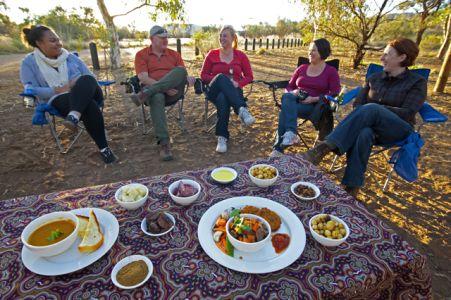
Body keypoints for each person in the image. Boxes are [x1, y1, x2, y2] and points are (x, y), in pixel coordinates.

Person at [304, 38, 427, 197]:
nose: (381, 58)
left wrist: (377, 110)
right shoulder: (374, 78)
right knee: (364, 133)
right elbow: (358, 105)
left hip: (397, 129)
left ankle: (323, 148)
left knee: (372, 109)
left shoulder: (417, 82)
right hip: (367, 127)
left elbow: (408, 112)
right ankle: (351, 186)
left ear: (402, 57)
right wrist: (371, 112)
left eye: (386, 54)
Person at [20, 25, 117, 164]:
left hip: (89, 92)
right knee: (88, 106)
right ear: (39, 43)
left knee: (87, 79)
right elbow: (30, 89)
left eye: (58, 39)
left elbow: (89, 78)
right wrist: (57, 90)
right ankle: (104, 150)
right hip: (58, 99)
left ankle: (73, 116)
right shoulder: (29, 63)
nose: (58, 43)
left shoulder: (70, 57)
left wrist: (74, 85)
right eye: (52, 40)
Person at [131, 25, 195, 161]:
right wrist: (163, 88)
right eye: (162, 38)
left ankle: (145, 93)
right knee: (157, 96)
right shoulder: (141, 55)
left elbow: (181, 75)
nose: (165, 40)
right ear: (152, 39)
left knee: (181, 71)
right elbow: (143, 77)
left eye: (166, 37)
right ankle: (164, 143)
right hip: (156, 95)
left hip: (173, 92)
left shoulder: (174, 54)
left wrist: (189, 79)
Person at [271, 38, 341, 157]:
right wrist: (294, 92)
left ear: (322, 52)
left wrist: (314, 99)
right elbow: (289, 87)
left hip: (314, 107)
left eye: (313, 50)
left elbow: (335, 92)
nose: (310, 53)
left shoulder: (331, 71)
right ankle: (290, 134)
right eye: (309, 50)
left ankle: (278, 149)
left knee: (285, 111)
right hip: (295, 102)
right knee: (287, 97)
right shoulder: (302, 68)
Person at [200, 25, 255, 153]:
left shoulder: (241, 56)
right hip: (213, 89)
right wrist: (218, 79)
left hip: (233, 91)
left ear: (233, 38)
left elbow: (249, 76)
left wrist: (238, 83)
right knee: (221, 78)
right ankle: (241, 109)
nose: (221, 38)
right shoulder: (212, 54)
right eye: (220, 36)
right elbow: (203, 75)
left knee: (223, 98)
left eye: (225, 35)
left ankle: (222, 137)